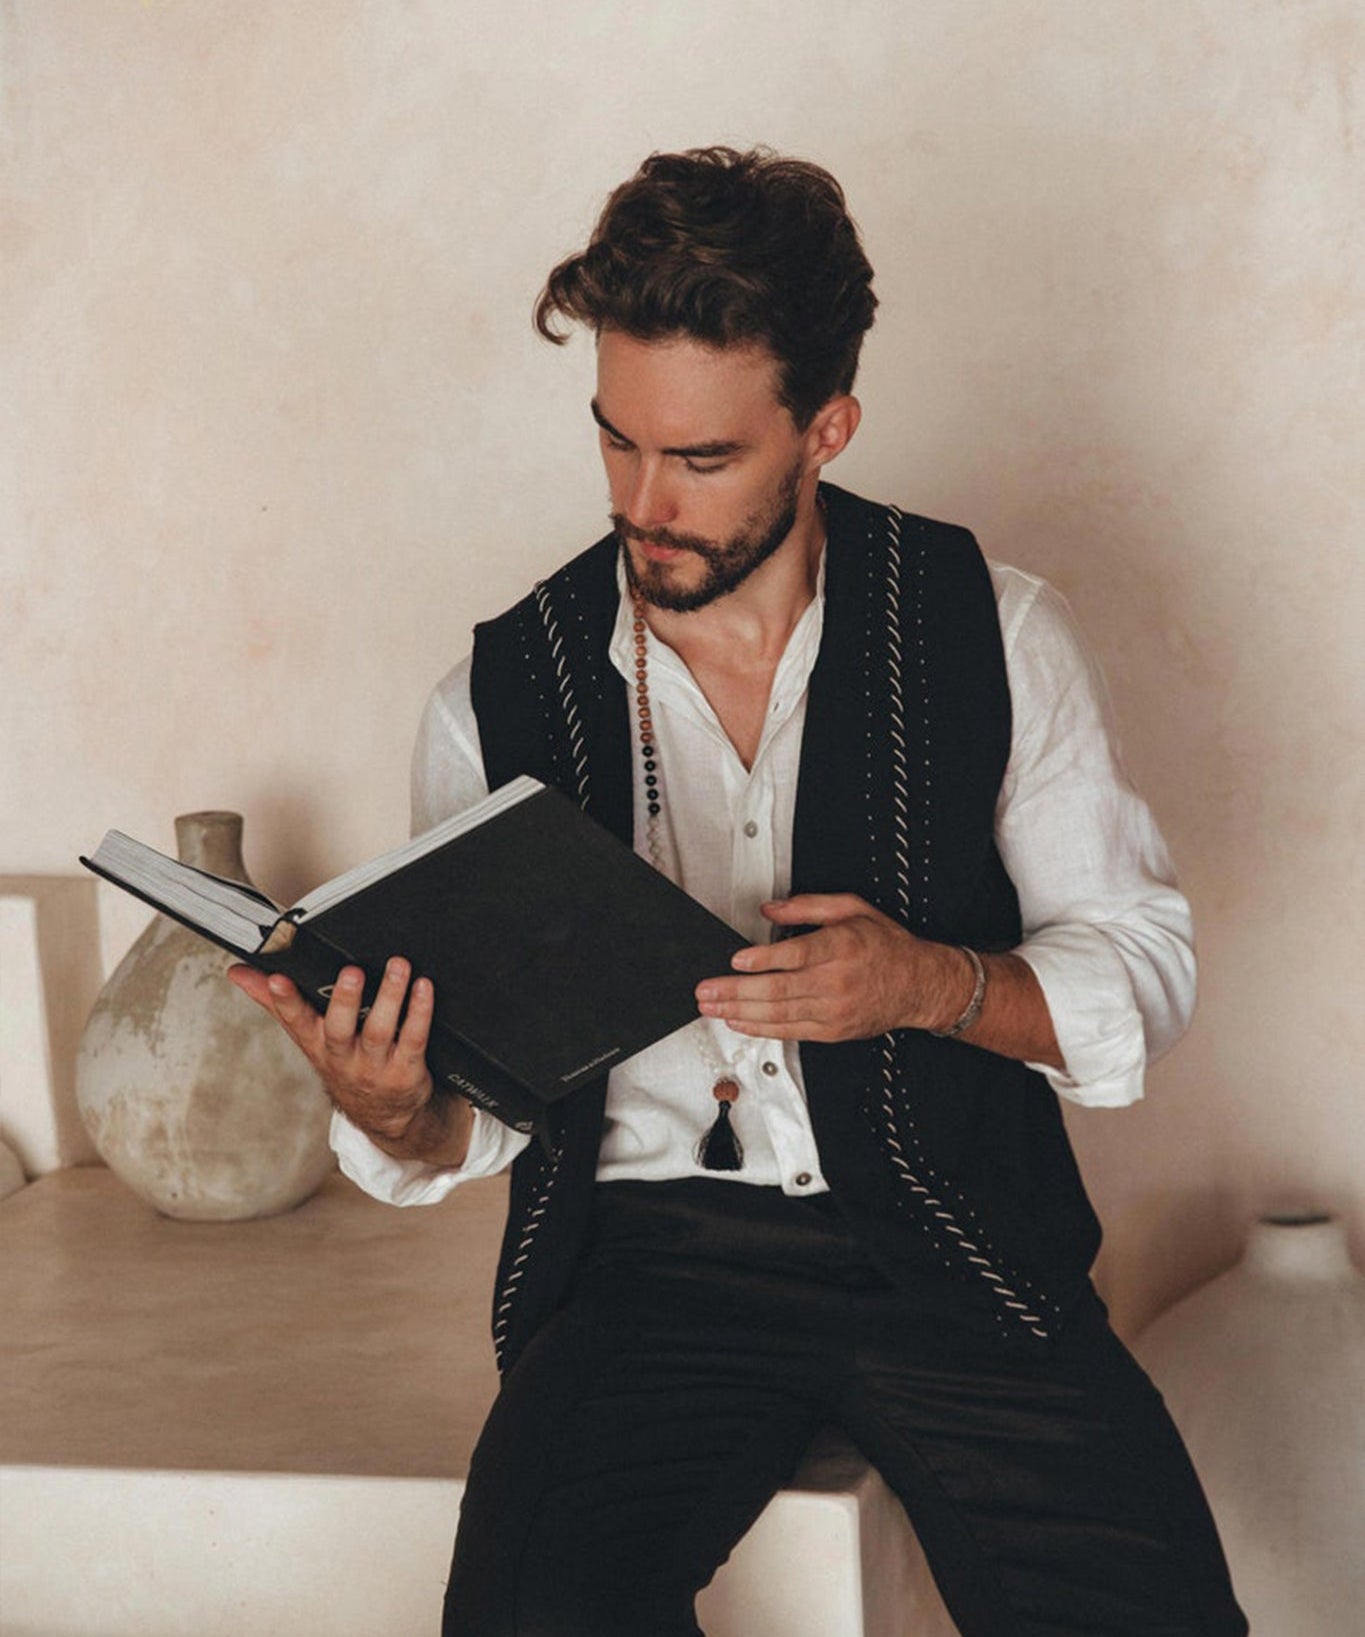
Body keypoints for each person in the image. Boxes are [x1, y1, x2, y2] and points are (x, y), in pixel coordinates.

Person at [230, 147, 1247, 1636]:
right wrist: (395, 1108)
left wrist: (931, 985)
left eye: (701, 460)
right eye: (617, 444)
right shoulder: (495, 694)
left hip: (953, 1245)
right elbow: (483, 1097)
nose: (645, 504)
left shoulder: (992, 628)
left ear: (822, 427)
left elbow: (1143, 970)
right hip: (644, 1271)